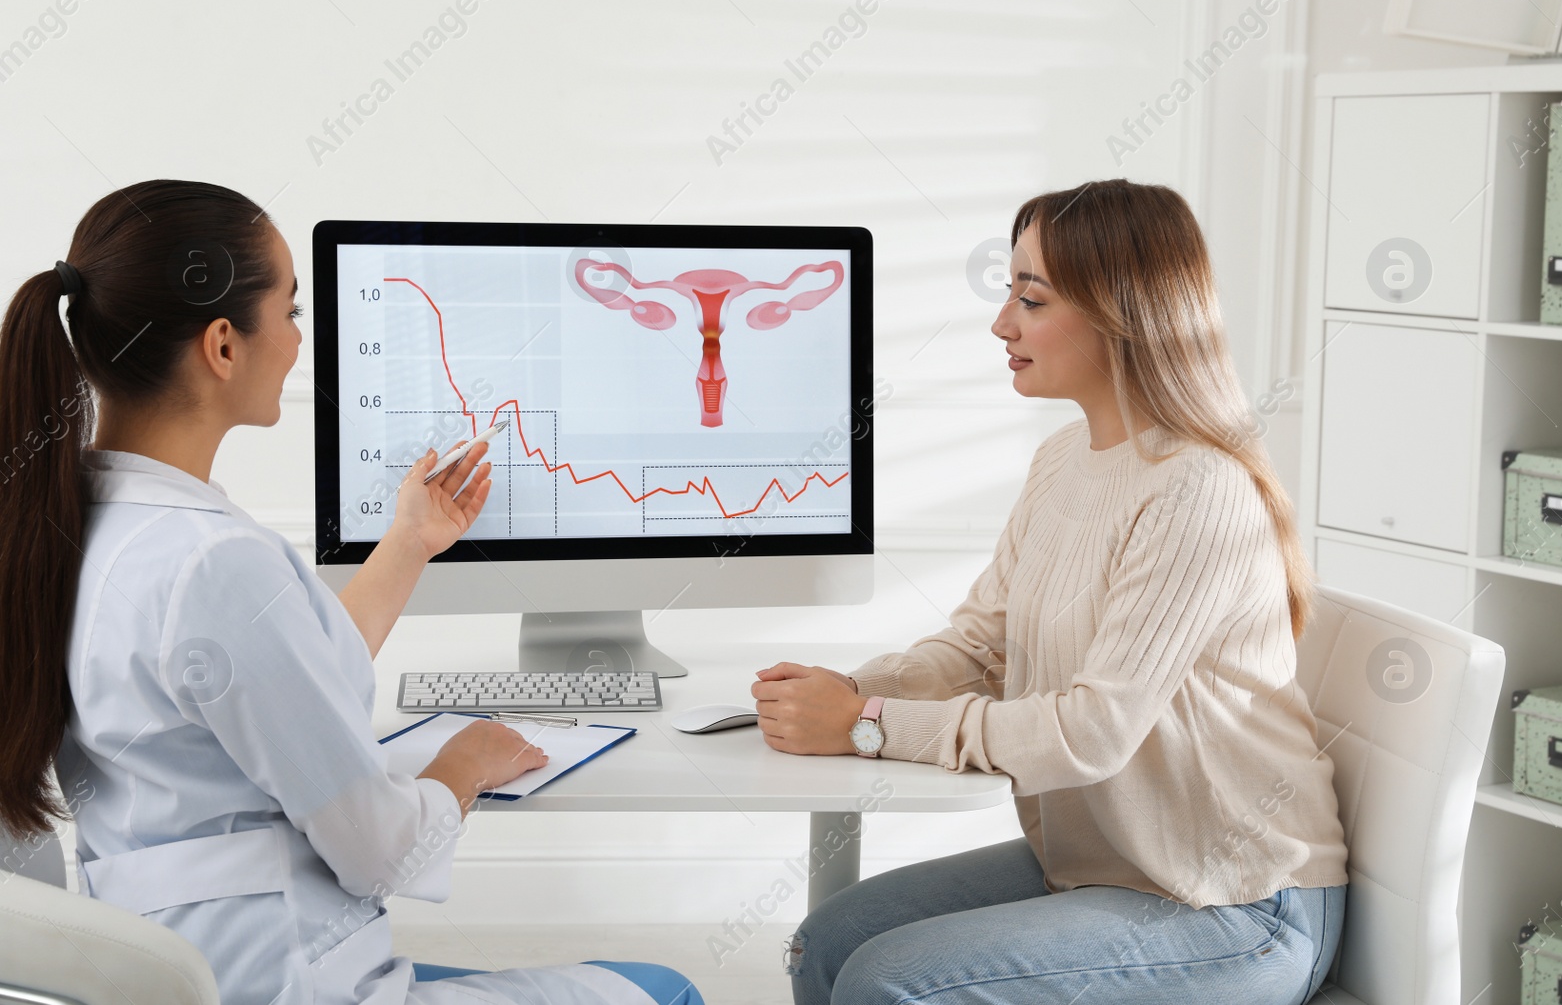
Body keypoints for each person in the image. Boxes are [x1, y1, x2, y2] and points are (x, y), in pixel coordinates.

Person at [0, 180, 703, 1005]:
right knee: (666, 988)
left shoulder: (72, 519)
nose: (301, 341)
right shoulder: (213, 561)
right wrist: (462, 763)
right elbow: (380, 854)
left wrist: (408, 542)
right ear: (223, 344)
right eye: (292, 311)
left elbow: (278, 668)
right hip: (288, 983)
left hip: (175, 972)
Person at [752, 179, 1349, 1005]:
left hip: (1236, 903)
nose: (1002, 323)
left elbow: (1091, 731)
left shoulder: (1197, 489)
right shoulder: (1064, 459)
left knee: (888, 984)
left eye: (1030, 298)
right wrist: (849, 690)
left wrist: (865, 726)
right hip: (1106, 864)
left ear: (1121, 314)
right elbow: (979, 647)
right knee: (826, 944)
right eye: (1009, 292)